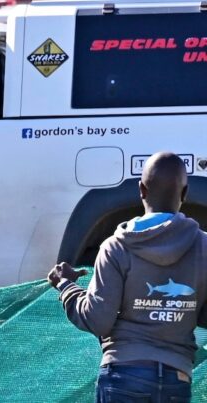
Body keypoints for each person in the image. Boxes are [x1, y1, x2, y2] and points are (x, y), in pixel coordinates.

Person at [48, 152, 207, 402]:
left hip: (123, 376)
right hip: (178, 380)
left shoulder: (116, 247)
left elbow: (98, 319)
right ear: (185, 194)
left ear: (141, 190)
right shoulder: (203, 247)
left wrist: (66, 286)